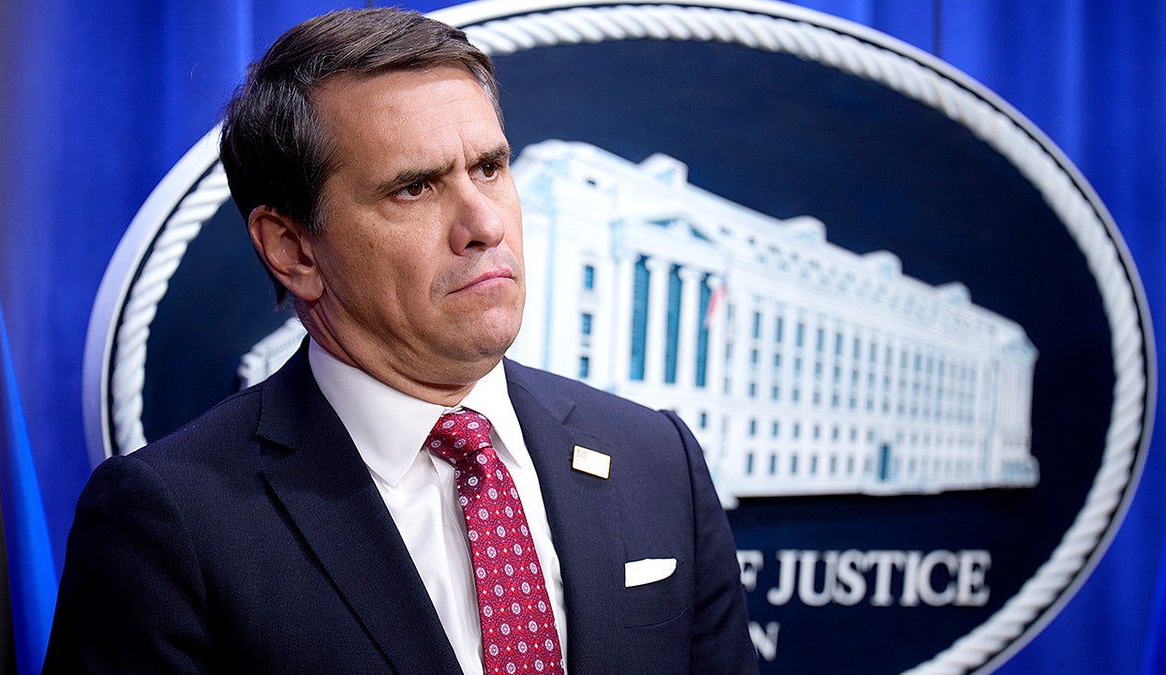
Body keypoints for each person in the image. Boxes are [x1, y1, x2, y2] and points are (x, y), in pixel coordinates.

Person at [44, 8, 755, 673]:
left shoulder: (656, 460)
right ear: (294, 248)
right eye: (415, 188)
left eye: (489, 168)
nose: (485, 225)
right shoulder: (171, 521)